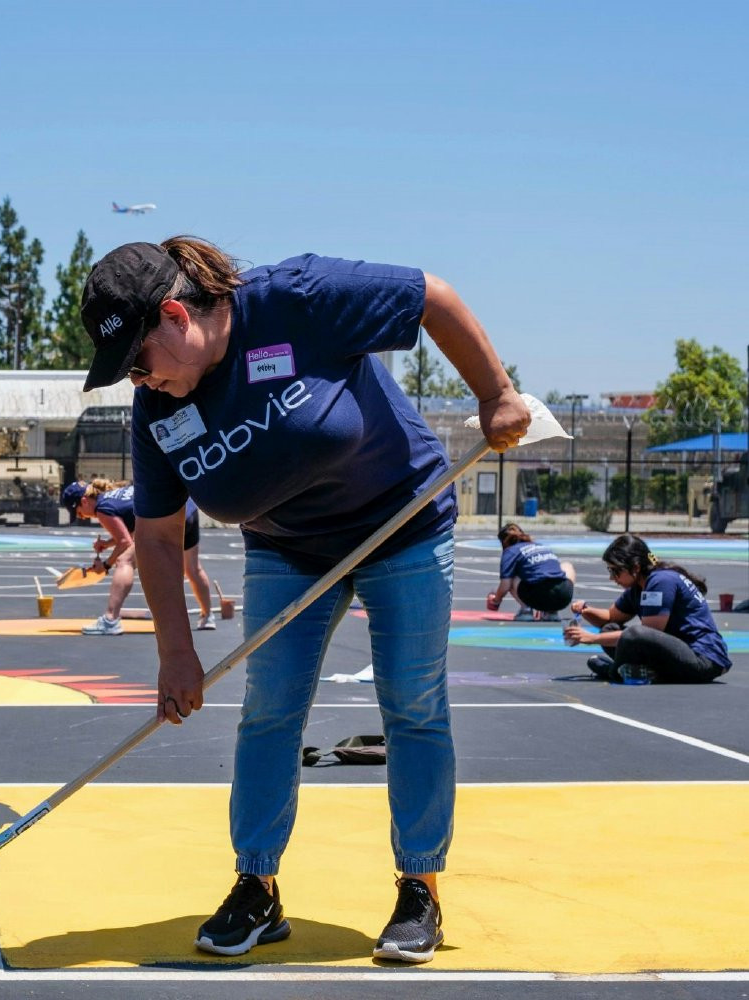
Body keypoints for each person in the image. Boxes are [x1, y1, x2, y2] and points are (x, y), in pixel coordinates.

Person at [79, 238, 529, 963]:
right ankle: (256, 887)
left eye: (139, 359)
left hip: (401, 524)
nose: (139, 379)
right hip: (286, 548)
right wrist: (176, 654)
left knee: (413, 704)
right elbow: (158, 540)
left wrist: (495, 395)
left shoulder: (298, 298)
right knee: (269, 712)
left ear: (175, 316)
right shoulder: (155, 409)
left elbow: (433, 297)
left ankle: (420, 889)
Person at [563, 533, 732, 684]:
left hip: (704, 658)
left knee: (633, 634)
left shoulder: (660, 581)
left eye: (615, 571)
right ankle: (643, 672)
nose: (611, 577)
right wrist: (586, 610)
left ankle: (615, 671)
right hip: (679, 654)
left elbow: (646, 633)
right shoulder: (637, 587)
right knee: (610, 628)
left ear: (635, 567)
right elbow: (610, 617)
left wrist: (591, 638)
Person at [64, 479, 217, 633]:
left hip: (168, 517)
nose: (82, 517)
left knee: (124, 561)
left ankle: (110, 620)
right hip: (187, 509)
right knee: (192, 568)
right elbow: (136, 529)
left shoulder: (103, 509)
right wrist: (108, 543)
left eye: (79, 513)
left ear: (84, 501)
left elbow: (125, 542)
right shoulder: (113, 496)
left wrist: (105, 565)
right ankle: (207, 616)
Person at [488, 523, 576, 621]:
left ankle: (526, 610)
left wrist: (496, 600)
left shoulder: (510, 551)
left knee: (512, 576)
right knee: (567, 566)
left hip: (538, 594)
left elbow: (505, 584)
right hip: (563, 596)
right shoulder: (539, 546)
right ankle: (551, 612)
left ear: (503, 542)